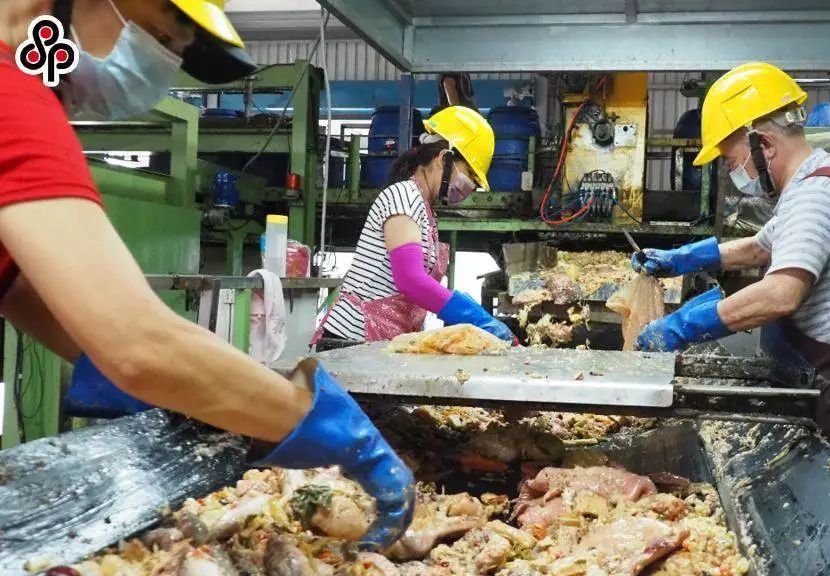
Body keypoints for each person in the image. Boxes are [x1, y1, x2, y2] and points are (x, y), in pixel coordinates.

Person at [0, 0, 412, 548]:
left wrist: (183, 382)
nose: (159, 70)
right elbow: (141, 345)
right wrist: (317, 421)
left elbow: (21, 286)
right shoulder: (13, 100)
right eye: (163, 38)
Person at [632, 62, 830, 483]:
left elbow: (780, 294)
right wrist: (683, 258)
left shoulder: (816, 194)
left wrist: (683, 326)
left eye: (732, 160)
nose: (733, 172)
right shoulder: (810, 183)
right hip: (819, 368)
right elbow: (761, 247)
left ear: (765, 144)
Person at [320, 106, 514, 344]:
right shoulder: (403, 196)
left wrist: (472, 312)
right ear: (444, 159)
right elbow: (410, 280)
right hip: (352, 340)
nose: (471, 187)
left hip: (381, 340)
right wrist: (474, 317)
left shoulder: (424, 208)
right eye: (470, 175)